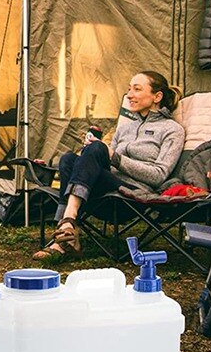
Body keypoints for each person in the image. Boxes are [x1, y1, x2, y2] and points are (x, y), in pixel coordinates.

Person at [33, 71, 185, 260]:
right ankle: (67, 229)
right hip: (105, 190)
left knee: (97, 148)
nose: (129, 95)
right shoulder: (125, 128)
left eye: (137, 89)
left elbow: (159, 175)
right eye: (129, 89)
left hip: (133, 194)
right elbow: (104, 161)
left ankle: (65, 228)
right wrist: (91, 153)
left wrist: (114, 157)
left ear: (157, 96)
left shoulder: (172, 130)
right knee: (68, 159)